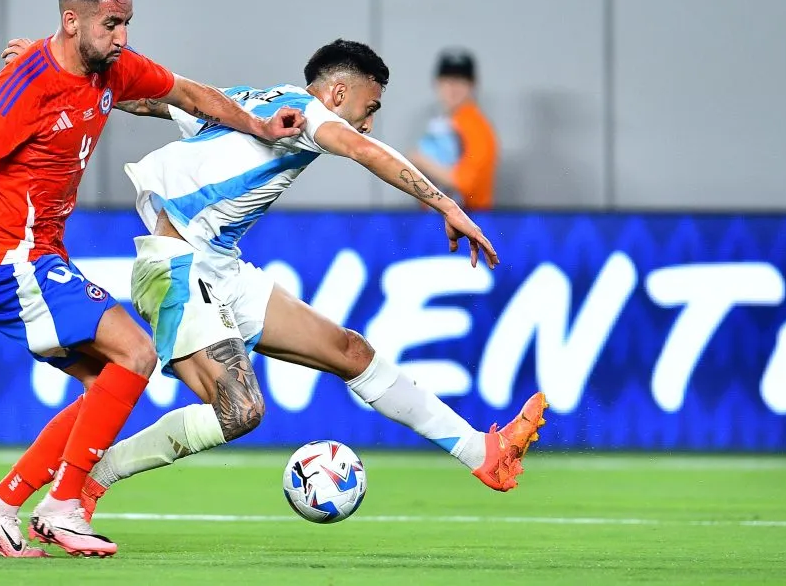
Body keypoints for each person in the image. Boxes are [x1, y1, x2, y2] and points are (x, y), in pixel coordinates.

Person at [0, 0, 303, 559]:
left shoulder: (112, 67)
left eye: (127, 22)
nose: (122, 36)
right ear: (72, 19)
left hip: (38, 257)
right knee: (136, 352)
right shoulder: (23, 86)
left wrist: (260, 126)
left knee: (105, 386)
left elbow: (191, 94)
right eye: (111, 24)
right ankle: (63, 507)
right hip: (7, 261)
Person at [67, 39, 546, 519]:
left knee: (350, 351)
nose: (367, 123)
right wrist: (445, 204)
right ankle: (91, 478)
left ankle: (483, 453)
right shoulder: (306, 114)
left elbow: (146, 101)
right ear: (338, 93)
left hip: (218, 265)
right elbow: (362, 149)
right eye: (369, 108)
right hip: (178, 265)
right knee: (240, 410)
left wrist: (71, 75)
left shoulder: (249, 101)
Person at [407, 49, 497, 210]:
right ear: (437, 83)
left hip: (470, 218)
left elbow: (465, 184)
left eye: (460, 81)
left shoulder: (476, 127)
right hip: (439, 217)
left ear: (472, 85)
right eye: (447, 80)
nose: (453, 88)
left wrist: (421, 161)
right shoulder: (441, 123)